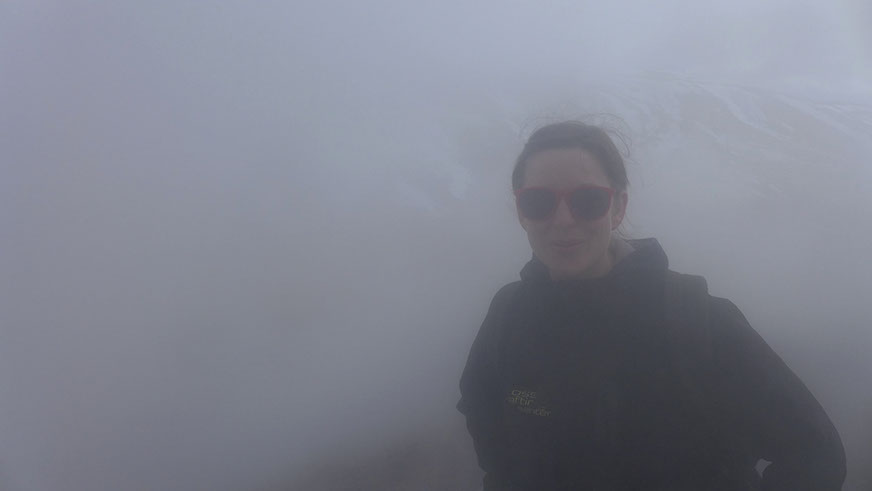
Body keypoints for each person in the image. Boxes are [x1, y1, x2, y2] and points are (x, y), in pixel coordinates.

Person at [456, 121, 846, 491]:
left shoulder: (695, 321)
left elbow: (815, 451)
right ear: (521, 212)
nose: (563, 219)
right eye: (539, 201)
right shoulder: (510, 314)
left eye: (588, 200)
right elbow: (481, 409)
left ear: (618, 207)